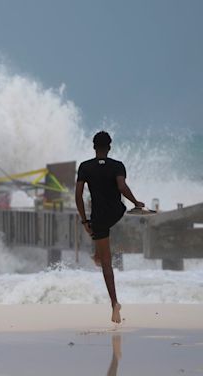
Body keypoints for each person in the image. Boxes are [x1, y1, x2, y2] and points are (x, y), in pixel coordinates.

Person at [75, 131, 144, 323]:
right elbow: (122, 187)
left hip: (99, 218)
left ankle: (114, 303)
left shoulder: (85, 167)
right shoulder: (117, 165)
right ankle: (98, 254)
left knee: (106, 262)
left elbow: (78, 195)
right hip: (117, 212)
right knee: (102, 251)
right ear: (110, 147)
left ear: (94, 147)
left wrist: (84, 221)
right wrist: (136, 203)